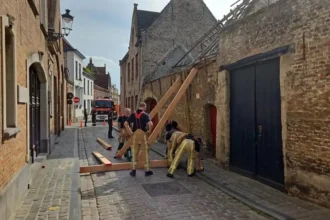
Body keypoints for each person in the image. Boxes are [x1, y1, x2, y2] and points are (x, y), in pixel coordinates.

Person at [124, 102, 153, 177]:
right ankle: (147, 171)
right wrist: (149, 131)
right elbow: (150, 124)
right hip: (143, 134)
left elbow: (125, 123)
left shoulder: (133, 114)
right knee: (145, 152)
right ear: (144, 107)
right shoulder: (145, 115)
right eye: (145, 107)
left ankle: (133, 171)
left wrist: (130, 132)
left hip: (135, 134)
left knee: (134, 152)